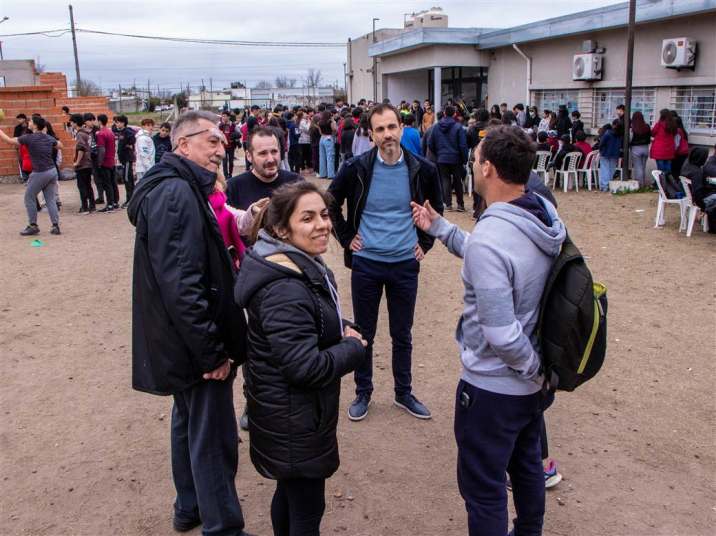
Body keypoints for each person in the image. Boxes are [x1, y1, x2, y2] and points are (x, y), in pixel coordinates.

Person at [411, 125, 565, 536]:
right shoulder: (542, 215)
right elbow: (496, 257)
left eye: (477, 158)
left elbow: (502, 333)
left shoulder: (493, 239)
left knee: (484, 490)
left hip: (494, 389)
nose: (473, 164)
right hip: (533, 387)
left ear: (489, 169)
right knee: (528, 463)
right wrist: (442, 228)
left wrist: (531, 371)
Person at [126, 110, 254, 536]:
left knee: (188, 424)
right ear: (184, 145)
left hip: (182, 342)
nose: (222, 148)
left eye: (222, 141)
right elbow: (182, 284)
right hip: (195, 346)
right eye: (212, 141)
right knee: (213, 440)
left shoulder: (178, 187)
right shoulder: (177, 193)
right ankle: (223, 528)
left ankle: (189, 507)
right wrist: (212, 351)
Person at [235, 181, 367, 536]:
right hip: (293, 418)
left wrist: (338, 326)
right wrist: (352, 348)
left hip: (289, 415)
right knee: (307, 508)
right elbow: (303, 366)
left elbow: (306, 322)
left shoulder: (293, 264)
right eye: (307, 218)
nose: (322, 224)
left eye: (324, 215)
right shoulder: (284, 287)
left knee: (291, 494)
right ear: (282, 229)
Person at [328, 103, 444, 422]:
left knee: (402, 333)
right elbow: (331, 200)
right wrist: (346, 235)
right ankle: (363, 393)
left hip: (405, 264)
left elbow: (438, 209)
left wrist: (425, 243)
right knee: (364, 332)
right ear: (371, 134)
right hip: (367, 263)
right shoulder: (357, 167)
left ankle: (403, 393)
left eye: (391, 127)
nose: (387, 134)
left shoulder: (422, 169)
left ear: (402, 128)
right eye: (379, 129)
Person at [1, 115, 63, 235]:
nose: (29, 122)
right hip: (52, 171)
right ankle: (55, 226)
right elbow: (60, 145)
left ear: (34, 125)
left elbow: (9, 140)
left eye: (31, 121)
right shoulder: (48, 138)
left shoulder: (29, 138)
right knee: (50, 199)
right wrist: (47, 136)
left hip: (40, 172)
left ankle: (33, 225)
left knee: (29, 197)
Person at [227, 127, 303, 213]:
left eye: (274, 151)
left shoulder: (297, 183)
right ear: (249, 156)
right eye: (263, 153)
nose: (270, 159)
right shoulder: (232, 189)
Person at [430, 105, 468, 212]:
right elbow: (462, 145)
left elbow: (430, 143)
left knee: (445, 180)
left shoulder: (436, 127)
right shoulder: (458, 127)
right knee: (457, 180)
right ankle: (460, 204)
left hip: (442, 158)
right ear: (455, 114)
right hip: (456, 158)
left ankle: (448, 204)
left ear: (444, 113)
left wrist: (438, 154)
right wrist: (464, 158)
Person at [70, 113, 96, 213]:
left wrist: (77, 162)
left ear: (75, 123)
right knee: (88, 185)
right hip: (88, 163)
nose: (71, 124)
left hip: (83, 164)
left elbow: (81, 149)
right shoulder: (86, 133)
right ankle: (92, 205)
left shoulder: (80, 134)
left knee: (82, 186)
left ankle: (85, 206)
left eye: (71, 122)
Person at [95, 114, 118, 212]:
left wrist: (99, 162)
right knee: (113, 183)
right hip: (112, 161)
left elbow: (101, 149)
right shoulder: (110, 132)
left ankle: (109, 204)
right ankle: (115, 202)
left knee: (107, 184)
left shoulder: (101, 134)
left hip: (105, 162)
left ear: (99, 121)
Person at [115, 115, 136, 208]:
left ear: (123, 123)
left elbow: (132, 140)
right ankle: (131, 198)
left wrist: (129, 145)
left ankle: (130, 199)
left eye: (118, 122)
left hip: (127, 159)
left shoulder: (127, 132)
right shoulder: (121, 132)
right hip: (123, 159)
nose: (117, 124)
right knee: (127, 178)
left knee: (128, 179)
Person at [650, 109, 677, 174]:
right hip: (669, 149)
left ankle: (662, 183)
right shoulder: (673, 124)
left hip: (659, 150)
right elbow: (675, 134)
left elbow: (652, 133)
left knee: (660, 170)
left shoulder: (659, 124)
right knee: (668, 168)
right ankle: (668, 182)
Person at [629, 111, 651, 188]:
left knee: (638, 167)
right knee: (643, 167)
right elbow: (650, 136)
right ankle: (643, 183)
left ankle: (639, 184)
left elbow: (630, 139)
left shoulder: (633, 127)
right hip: (645, 148)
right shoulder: (647, 126)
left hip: (636, 148)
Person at [598, 121, 622, 191]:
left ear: (613, 125)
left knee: (605, 169)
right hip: (615, 154)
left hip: (605, 153)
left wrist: (601, 149)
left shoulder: (608, 133)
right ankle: (610, 184)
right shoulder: (620, 135)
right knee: (611, 169)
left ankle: (604, 186)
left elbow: (602, 143)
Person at [219, 111, 239, 178]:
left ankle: (230, 174)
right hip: (223, 146)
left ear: (228, 117)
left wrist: (235, 136)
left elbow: (239, 133)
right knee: (224, 163)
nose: (223, 117)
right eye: (223, 116)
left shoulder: (233, 125)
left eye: (225, 116)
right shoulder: (220, 125)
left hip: (231, 146)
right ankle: (226, 175)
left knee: (231, 162)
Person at [672, 113, 690, 179]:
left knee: (675, 171)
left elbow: (676, 144)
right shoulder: (683, 130)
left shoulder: (678, 131)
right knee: (680, 171)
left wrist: (672, 152)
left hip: (679, 154)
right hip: (685, 153)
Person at [318, 114, 335, 179]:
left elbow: (320, 132)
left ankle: (322, 174)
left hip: (322, 138)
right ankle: (330, 174)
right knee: (330, 157)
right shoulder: (330, 122)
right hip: (329, 138)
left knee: (322, 157)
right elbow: (334, 129)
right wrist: (333, 121)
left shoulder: (320, 122)